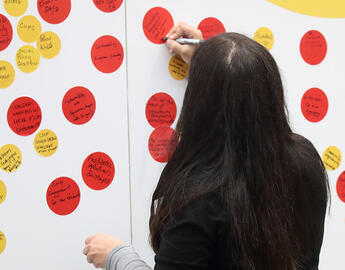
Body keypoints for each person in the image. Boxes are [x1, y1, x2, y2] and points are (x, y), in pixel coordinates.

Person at [83, 22, 330, 270]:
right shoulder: (305, 160)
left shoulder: (198, 200)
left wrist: (117, 256)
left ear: (198, 102)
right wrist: (213, 65)